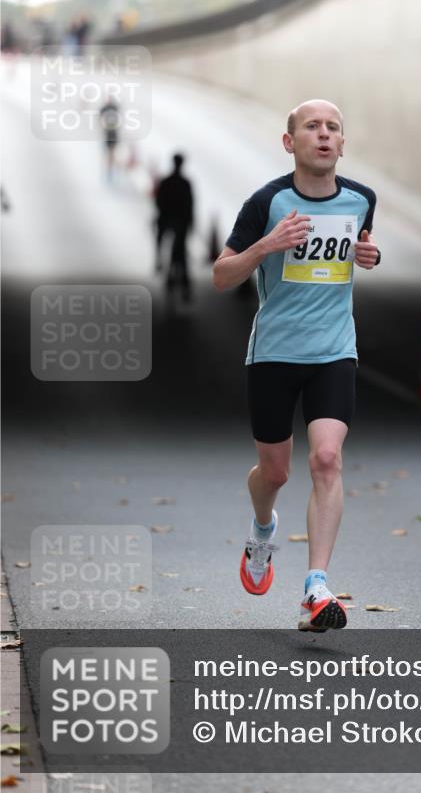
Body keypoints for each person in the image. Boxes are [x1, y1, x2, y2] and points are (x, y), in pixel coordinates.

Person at [212, 99, 381, 631]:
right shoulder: (267, 201)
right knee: (276, 471)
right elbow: (221, 275)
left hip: (335, 350)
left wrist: (367, 257)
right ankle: (262, 531)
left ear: (342, 143)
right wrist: (268, 244)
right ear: (291, 143)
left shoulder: (361, 200)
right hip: (274, 354)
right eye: (312, 127)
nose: (324, 135)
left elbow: (360, 247)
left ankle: (316, 585)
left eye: (333, 127)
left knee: (327, 459)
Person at [155, 153, 194, 302]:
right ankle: (185, 284)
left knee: (160, 235)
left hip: (168, 219)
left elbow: (159, 202)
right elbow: (190, 205)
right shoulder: (185, 183)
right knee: (182, 251)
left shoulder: (166, 181)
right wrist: (190, 223)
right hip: (180, 221)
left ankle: (158, 258)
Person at [99, 97, 121, 181]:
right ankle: (112, 170)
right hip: (111, 135)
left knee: (110, 155)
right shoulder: (113, 108)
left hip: (110, 135)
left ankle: (111, 170)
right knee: (111, 154)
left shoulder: (106, 109)